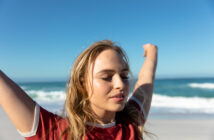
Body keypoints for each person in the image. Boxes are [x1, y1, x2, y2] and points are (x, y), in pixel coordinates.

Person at [0, 40, 157, 140]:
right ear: (82, 84)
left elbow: (146, 80)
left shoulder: (132, 123)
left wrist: (152, 53)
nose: (121, 85)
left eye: (124, 75)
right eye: (106, 77)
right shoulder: (54, 132)